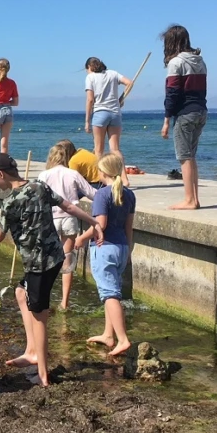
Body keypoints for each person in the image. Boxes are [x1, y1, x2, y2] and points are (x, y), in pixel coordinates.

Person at [0, 154, 101, 387]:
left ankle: (43, 373)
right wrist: (93, 221)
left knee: (39, 315)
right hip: (54, 257)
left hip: (38, 266)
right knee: (21, 293)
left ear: (1, 174)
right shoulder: (39, 186)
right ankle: (31, 351)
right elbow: (69, 206)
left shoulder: (9, 202)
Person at [86, 153, 137, 357]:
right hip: (122, 247)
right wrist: (129, 249)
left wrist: (82, 238)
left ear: (103, 172)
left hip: (104, 247)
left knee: (109, 295)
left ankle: (123, 339)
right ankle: (109, 334)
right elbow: (129, 227)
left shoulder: (102, 194)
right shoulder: (130, 195)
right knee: (113, 290)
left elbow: (101, 224)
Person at [37, 143, 97, 310]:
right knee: (67, 259)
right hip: (70, 218)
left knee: (48, 259)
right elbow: (92, 193)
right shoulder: (73, 173)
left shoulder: (44, 175)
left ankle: (43, 297)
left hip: (51, 219)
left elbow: (37, 198)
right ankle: (65, 302)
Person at [160, 24, 208, 210]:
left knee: (184, 157)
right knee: (191, 156)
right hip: (201, 110)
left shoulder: (176, 63)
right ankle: (194, 199)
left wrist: (166, 120)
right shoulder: (200, 61)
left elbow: (172, 94)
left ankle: (189, 199)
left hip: (185, 113)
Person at [84, 57, 133, 186]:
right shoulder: (113, 73)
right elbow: (129, 82)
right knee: (115, 149)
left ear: (89, 67)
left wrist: (87, 121)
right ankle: (124, 179)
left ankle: (103, 180)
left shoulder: (91, 77)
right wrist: (121, 99)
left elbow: (90, 100)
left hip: (100, 113)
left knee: (99, 150)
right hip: (115, 113)